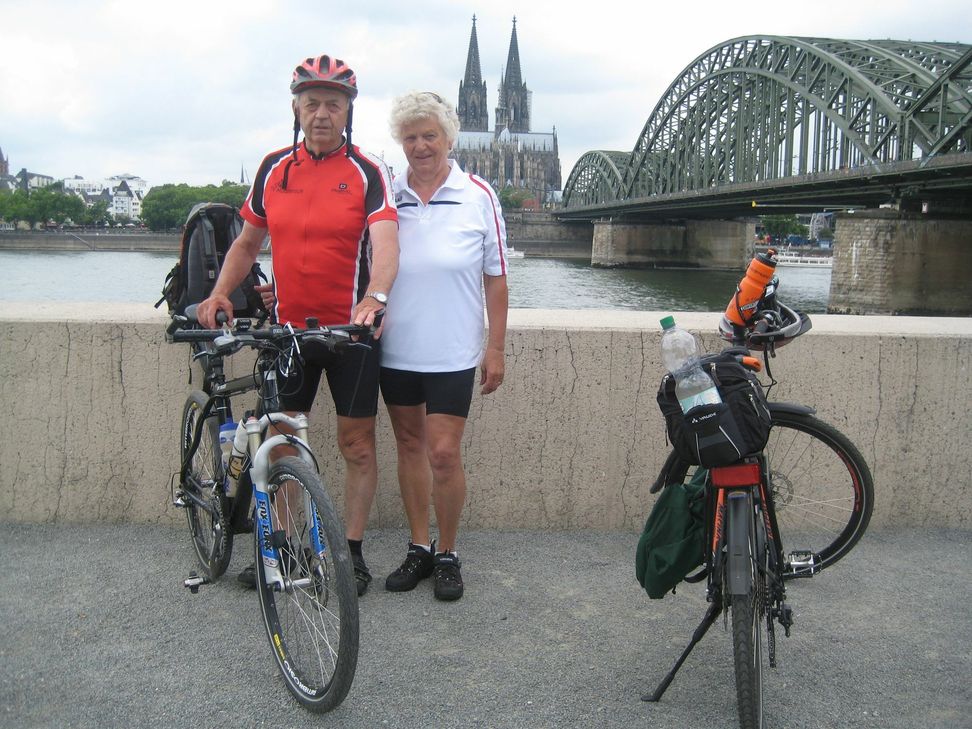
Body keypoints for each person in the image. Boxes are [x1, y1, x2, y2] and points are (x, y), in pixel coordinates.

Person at [197, 54, 399, 596]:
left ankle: (349, 551)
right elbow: (246, 242)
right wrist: (219, 293)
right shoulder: (273, 170)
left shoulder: (367, 172)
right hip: (287, 333)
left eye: (333, 104)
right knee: (283, 443)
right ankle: (287, 548)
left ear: (348, 111)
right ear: (296, 108)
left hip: (351, 332)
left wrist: (375, 298)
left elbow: (385, 246)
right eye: (312, 103)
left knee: (357, 444)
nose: (322, 114)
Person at [380, 91, 508, 601]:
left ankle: (448, 551)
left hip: (453, 352)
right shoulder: (388, 196)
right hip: (396, 349)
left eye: (429, 135)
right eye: (410, 137)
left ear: (449, 138)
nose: (420, 146)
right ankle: (419, 547)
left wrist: (494, 348)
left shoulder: (479, 194)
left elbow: (496, 280)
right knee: (409, 448)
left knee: (443, 453)